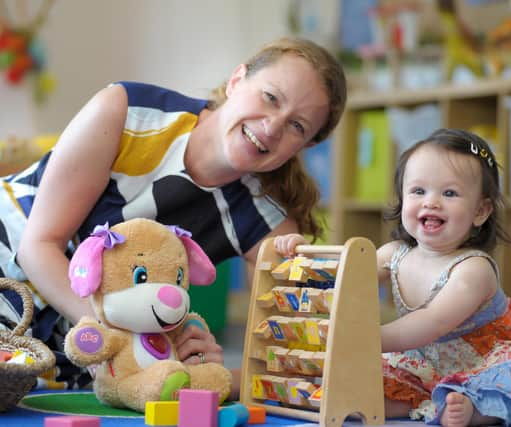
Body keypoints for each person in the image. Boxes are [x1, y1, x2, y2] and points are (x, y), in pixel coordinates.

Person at [0, 37, 347, 394]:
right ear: (236, 80)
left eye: (297, 127)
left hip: (69, 345)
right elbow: (37, 246)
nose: (273, 127)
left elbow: (293, 357)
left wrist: (201, 366)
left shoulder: (265, 223)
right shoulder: (127, 110)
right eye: (271, 97)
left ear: (305, 147)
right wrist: (125, 339)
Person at [274, 128, 511, 427]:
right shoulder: (393, 254)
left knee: (505, 383)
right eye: (418, 191)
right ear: (402, 199)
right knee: (368, 378)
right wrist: (302, 258)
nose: (431, 202)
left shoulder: (473, 269)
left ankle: (475, 411)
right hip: (423, 361)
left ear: (480, 211)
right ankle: (369, 402)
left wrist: (360, 339)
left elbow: (432, 322)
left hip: (485, 359)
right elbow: (343, 281)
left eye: (449, 193)